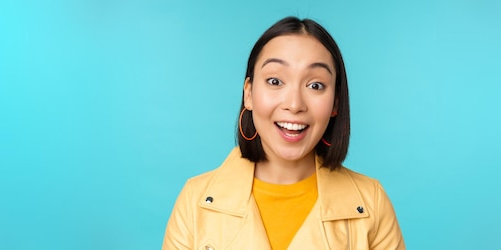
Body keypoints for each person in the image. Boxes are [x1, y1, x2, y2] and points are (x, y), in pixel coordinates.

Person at [162, 16, 406, 250]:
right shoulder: (195, 201)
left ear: (335, 104)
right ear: (248, 93)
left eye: (315, 85)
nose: (294, 104)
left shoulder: (371, 203)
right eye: (275, 81)